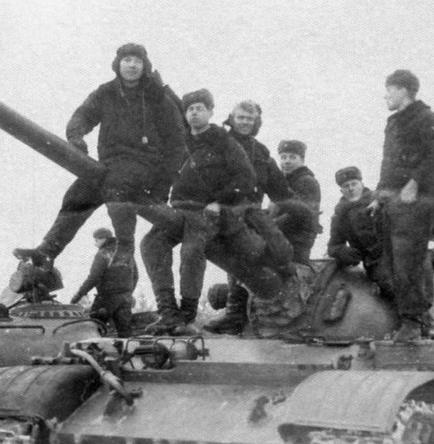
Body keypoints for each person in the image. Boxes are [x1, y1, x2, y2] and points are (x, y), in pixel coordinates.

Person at [14, 43, 187, 264]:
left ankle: (125, 247)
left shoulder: (158, 97)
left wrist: (163, 183)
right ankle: (47, 251)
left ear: (145, 66)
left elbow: (176, 142)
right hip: (111, 163)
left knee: (116, 183)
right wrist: (76, 136)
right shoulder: (106, 92)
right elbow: (83, 115)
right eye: (127, 60)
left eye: (137, 61)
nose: (132, 65)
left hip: (146, 164)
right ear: (117, 64)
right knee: (78, 194)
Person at [141, 89, 256, 334]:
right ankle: (168, 312)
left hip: (206, 212)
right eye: (190, 109)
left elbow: (246, 178)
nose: (194, 113)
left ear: (211, 112)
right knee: (151, 243)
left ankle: (187, 313)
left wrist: (220, 202)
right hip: (178, 209)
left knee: (192, 251)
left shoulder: (224, 141)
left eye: (200, 108)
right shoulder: (179, 141)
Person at [367, 69, 434, 342]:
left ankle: (413, 323)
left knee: (409, 263)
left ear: (403, 89)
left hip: (414, 201)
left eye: (389, 90)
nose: (386, 96)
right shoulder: (394, 122)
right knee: (394, 264)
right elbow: (388, 163)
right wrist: (379, 195)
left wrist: (415, 182)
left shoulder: (427, 118)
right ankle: (418, 321)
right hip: (392, 200)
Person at [204, 101, 294, 335]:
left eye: (249, 119)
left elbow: (280, 190)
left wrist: (298, 207)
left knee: (268, 256)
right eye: (241, 117)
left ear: (256, 122)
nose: (245, 122)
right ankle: (235, 313)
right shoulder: (218, 144)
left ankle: (241, 310)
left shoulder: (260, 152)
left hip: (252, 213)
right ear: (232, 119)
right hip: (224, 210)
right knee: (238, 258)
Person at [327, 166, 395, 303]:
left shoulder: (379, 201)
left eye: (354, 184)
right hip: (374, 263)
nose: (351, 188)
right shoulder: (340, 214)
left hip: (394, 253)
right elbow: (333, 246)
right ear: (341, 190)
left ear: (362, 184)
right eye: (346, 186)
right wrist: (342, 251)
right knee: (388, 286)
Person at [69, 228, 138, 337]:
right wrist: (127, 292)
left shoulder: (103, 253)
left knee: (92, 329)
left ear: (103, 239)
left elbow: (94, 277)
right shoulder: (126, 253)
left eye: (96, 240)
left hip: (107, 299)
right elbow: (135, 276)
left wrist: (78, 295)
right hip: (125, 299)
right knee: (125, 333)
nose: (95, 244)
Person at [275, 139, 321, 263]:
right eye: (283, 157)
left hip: (298, 241)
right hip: (283, 237)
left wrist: (269, 225)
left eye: (292, 157)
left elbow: (303, 214)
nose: (287, 161)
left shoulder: (306, 181)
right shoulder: (284, 182)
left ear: (302, 160)